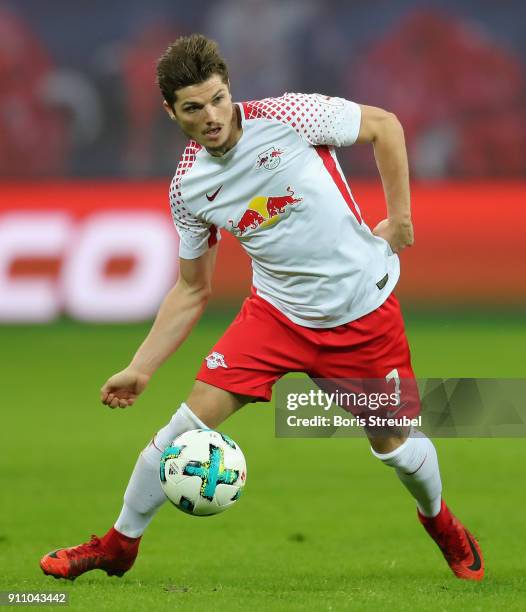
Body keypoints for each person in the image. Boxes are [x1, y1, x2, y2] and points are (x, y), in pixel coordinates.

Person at [40, 34, 483, 582]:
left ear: (231, 89)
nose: (212, 116)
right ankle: (117, 544)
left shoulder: (291, 115)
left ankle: (440, 521)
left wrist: (402, 218)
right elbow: (192, 289)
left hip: (361, 312)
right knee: (182, 431)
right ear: (170, 111)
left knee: (394, 445)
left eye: (219, 98)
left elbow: (384, 126)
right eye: (194, 108)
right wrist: (141, 367)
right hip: (274, 318)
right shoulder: (189, 186)